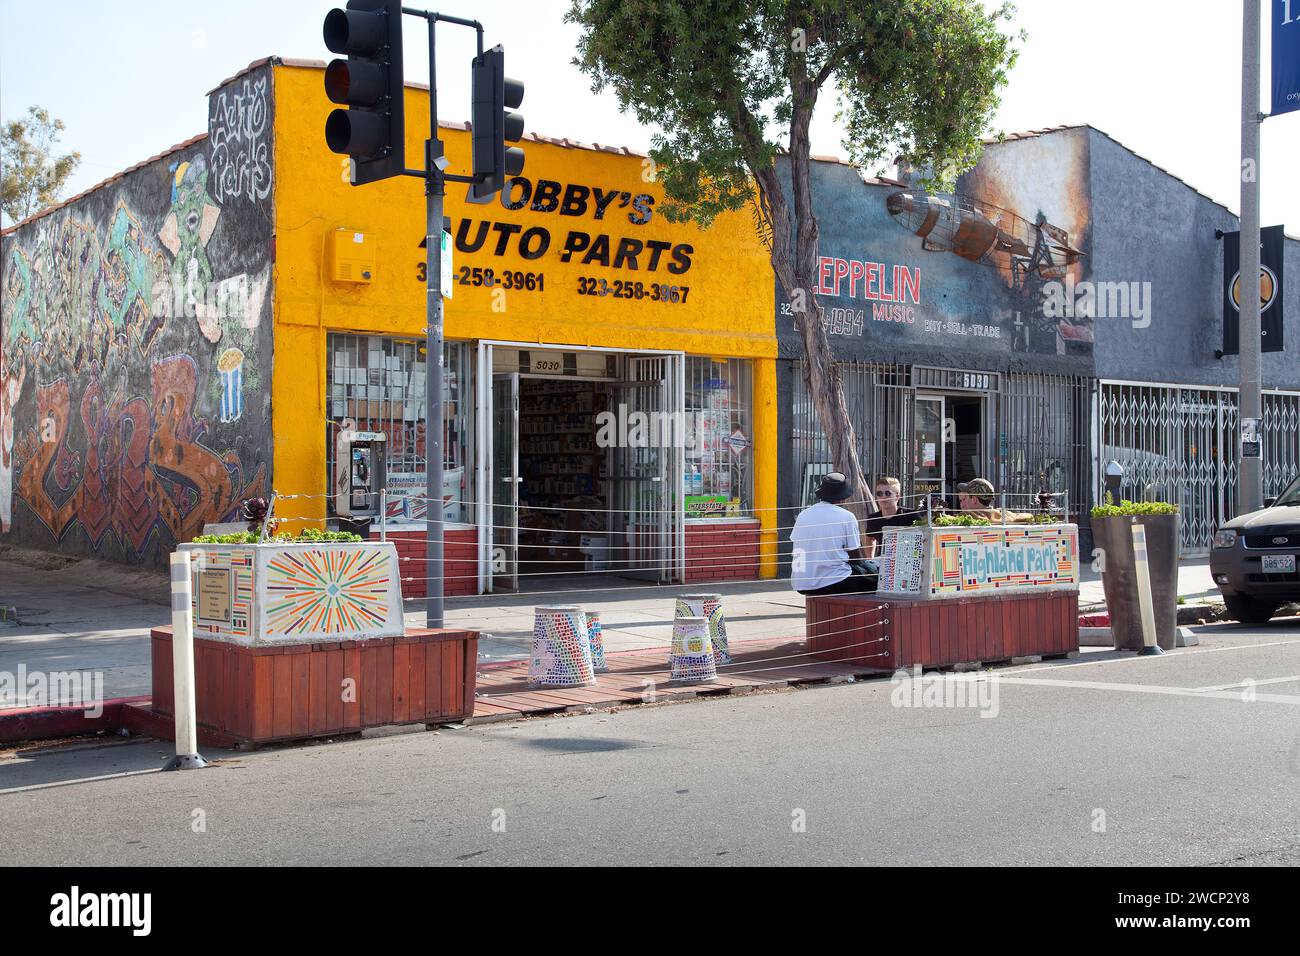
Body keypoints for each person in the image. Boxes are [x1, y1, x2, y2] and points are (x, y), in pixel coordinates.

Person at [790, 472, 877, 595]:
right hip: (834, 581)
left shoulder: (803, 514)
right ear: (843, 497)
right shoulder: (846, 516)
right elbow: (855, 557)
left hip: (801, 583)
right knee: (878, 579)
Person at [864, 476, 920, 557]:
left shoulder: (911, 515)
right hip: (883, 564)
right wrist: (870, 560)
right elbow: (869, 538)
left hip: (907, 562)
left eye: (888, 493)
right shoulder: (873, 518)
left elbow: (922, 540)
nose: (883, 497)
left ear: (897, 496)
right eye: (879, 494)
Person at [956, 478, 1032, 523]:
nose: (962, 503)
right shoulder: (1004, 514)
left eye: (965, 498)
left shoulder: (967, 516)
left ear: (974, 499)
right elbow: (1029, 516)